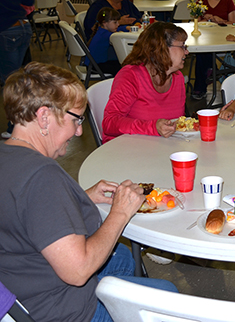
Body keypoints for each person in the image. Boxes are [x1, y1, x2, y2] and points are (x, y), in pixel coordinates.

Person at [0, 62, 178, 322]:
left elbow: (24, 211)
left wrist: (80, 197)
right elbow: (78, 271)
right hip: (62, 310)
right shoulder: (42, 177)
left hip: (21, 283)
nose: (80, 131)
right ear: (44, 117)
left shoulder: (8, 156)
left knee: (123, 258)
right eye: (76, 119)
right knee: (168, 297)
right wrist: (120, 212)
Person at [102, 22, 187, 143]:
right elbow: (110, 123)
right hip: (125, 148)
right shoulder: (130, 76)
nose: (186, 52)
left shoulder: (177, 77)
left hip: (161, 147)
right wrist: (152, 127)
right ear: (162, 48)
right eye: (182, 46)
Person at [0, 0, 34, 139]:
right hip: (23, 28)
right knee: (17, 81)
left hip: (6, 31)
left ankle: (16, 129)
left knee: (11, 84)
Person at [192, 0, 235, 100]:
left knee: (204, 54)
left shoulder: (227, 1)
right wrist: (206, 19)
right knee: (202, 52)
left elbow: (233, 23)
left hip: (224, 39)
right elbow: (196, 24)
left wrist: (220, 20)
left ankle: (209, 74)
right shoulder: (201, 2)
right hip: (206, 39)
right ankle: (202, 85)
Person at [86, 7, 123, 76]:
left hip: (93, 65)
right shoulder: (106, 35)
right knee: (123, 68)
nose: (118, 24)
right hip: (96, 67)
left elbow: (118, 29)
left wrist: (126, 28)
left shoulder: (101, 31)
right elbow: (116, 35)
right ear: (105, 23)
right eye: (115, 22)